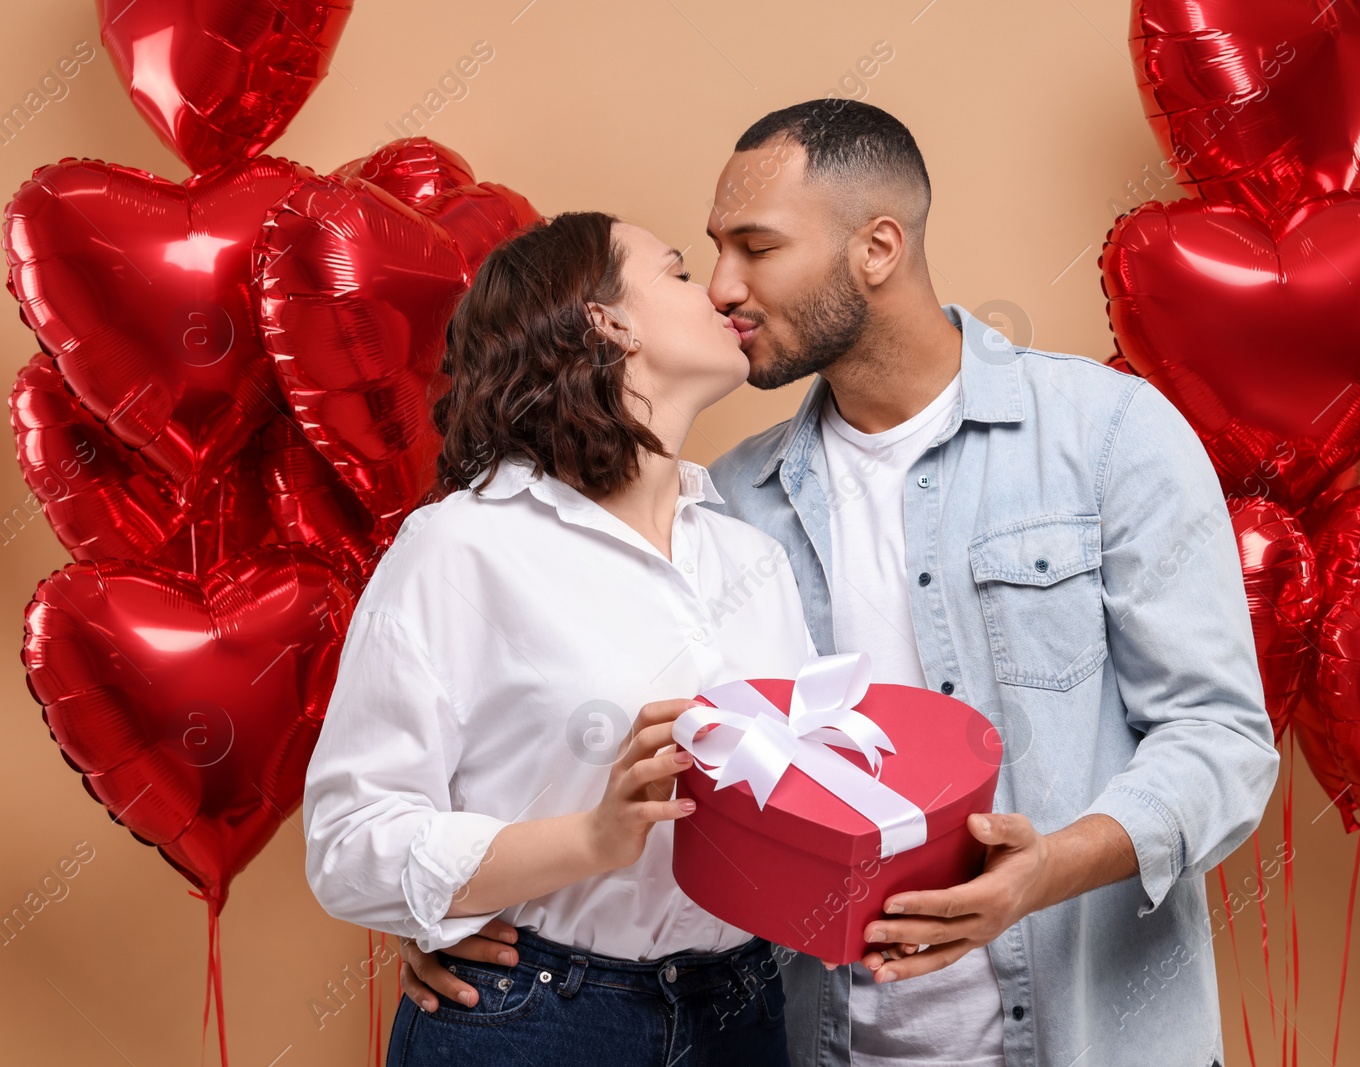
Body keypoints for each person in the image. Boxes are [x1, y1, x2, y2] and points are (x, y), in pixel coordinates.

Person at [404, 100, 1279, 1067]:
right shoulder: (725, 508)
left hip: (1091, 1039)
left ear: (878, 247)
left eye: (756, 247)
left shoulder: (1109, 433)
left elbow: (1222, 737)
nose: (726, 287)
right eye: (708, 254)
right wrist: (452, 905)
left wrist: (1047, 870)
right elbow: (643, 779)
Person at [300, 210, 819, 1066]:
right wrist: (591, 839)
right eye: (681, 271)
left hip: (745, 1013)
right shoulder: (462, 544)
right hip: (535, 1022)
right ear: (605, 321)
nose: (722, 292)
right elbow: (350, 842)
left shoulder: (751, 552)